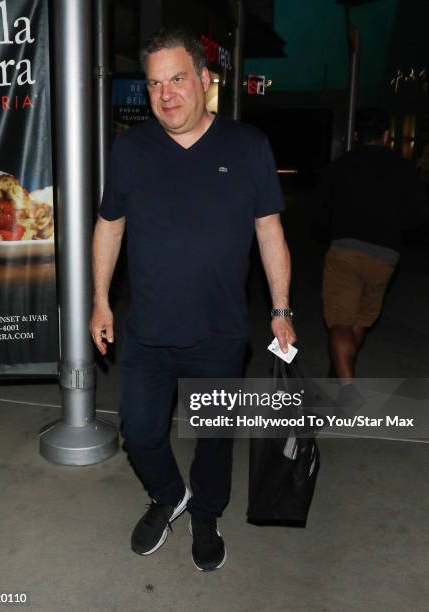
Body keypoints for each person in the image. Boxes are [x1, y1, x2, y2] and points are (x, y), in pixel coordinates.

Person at [90, 26, 296, 572]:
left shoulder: (247, 146)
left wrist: (280, 309)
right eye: (155, 84)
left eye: (177, 78)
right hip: (148, 329)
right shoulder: (131, 148)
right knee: (139, 428)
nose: (165, 94)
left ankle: (205, 515)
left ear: (205, 80)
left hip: (220, 332)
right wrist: (100, 300)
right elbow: (109, 226)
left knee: (214, 439)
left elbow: (269, 230)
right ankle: (167, 495)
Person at [318, 108, 427, 409]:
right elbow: (419, 216)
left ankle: (349, 389)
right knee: (361, 322)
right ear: (387, 136)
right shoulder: (404, 169)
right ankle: (343, 375)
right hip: (386, 256)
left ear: (356, 136)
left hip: (347, 249)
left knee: (339, 322)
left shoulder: (341, 166)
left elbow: (321, 213)